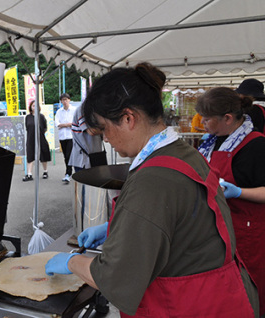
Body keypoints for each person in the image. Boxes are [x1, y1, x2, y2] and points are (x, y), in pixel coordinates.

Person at [45, 63, 258, 317]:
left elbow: (117, 278)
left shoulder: (152, 179)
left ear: (127, 118)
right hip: (224, 297)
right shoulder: (183, 152)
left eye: (104, 129)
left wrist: (71, 262)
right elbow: (176, 220)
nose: (105, 139)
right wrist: (114, 228)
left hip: (187, 306)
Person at [196, 87, 265, 317]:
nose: (202, 123)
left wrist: (238, 192)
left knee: (251, 294)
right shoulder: (210, 143)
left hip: (248, 235)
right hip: (216, 233)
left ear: (227, 118)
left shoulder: (257, 145)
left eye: (207, 118)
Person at [69, 105, 106, 171]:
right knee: (86, 180)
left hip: (97, 156)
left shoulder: (97, 109)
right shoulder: (83, 109)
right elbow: (92, 131)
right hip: (84, 159)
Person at [23, 100, 51, 181]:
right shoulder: (28, 117)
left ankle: (45, 171)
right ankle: (29, 174)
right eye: (33, 105)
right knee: (30, 154)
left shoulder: (41, 116)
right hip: (30, 138)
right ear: (31, 107)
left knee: (43, 154)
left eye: (36, 105)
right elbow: (27, 127)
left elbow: (45, 127)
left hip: (40, 138)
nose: (35, 107)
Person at [55, 93, 75, 183]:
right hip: (62, 137)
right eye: (63, 100)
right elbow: (57, 123)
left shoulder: (74, 110)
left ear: (69, 100)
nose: (64, 101)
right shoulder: (59, 111)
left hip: (71, 136)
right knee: (66, 156)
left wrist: (65, 125)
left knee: (69, 155)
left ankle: (68, 172)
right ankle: (68, 173)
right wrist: (67, 124)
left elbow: (74, 123)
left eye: (66, 99)